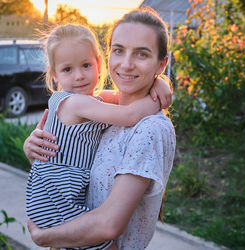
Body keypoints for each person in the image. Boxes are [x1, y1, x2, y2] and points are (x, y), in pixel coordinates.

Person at [24, 6, 176, 250]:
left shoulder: (150, 129)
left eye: (142, 54)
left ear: (161, 64)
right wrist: (32, 146)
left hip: (77, 231)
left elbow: (107, 226)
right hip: (59, 207)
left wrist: (44, 238)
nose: (126, 64)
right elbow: (123, 110)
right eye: (118, 50)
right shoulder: (98, 108)